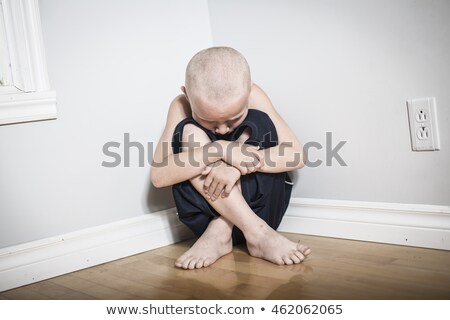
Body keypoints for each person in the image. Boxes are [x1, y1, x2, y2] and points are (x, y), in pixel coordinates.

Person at [151, 47, 311, 269]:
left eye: (233, 119)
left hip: (262, 208)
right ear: (187, 93)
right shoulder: (180, 105)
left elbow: (296, 156)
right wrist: (219, 149)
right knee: (188, 131)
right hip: (205, 214)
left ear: (248, 90)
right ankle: (249, 233)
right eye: (208, 120)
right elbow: (159, 176)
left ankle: (229, 230)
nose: (223, 129)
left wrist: (237, 166)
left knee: (259, 121)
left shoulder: (254, 94)